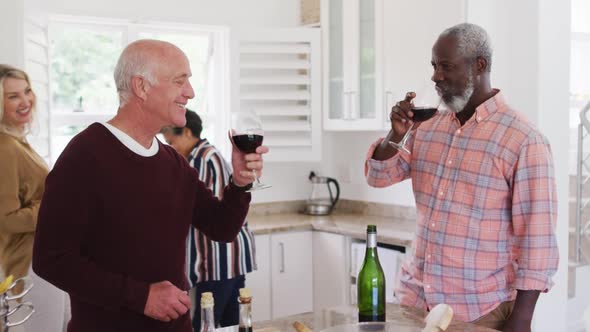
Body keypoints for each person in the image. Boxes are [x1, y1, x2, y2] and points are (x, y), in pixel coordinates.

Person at [32, 39, 268, 332]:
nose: (190, 93)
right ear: (141, 87)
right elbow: (50, 259)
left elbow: (222, 227)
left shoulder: (173, 162)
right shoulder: (85, 155)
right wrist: (141, 297)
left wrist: (240, 183)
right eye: (179, 81)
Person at [365, 23, 558, 332]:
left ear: (478, 65)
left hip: (479, 309)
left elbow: (537, 241)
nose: (435, 76)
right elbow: (378, 176)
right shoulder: (426, 126)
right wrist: (395, 134)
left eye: (446, 66)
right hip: (415, 303)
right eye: (433, 66)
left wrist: (521, 320)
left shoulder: (523, 139)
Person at [162, 109, 257, 332]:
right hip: (227, 258)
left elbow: (202, 210)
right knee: (234, 322)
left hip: (221, 258)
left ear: (186, 132)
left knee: (206, 322)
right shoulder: (200, 155)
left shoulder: (203, 158)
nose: (171, 147)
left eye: (171, 141)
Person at [0, 64, 68, 332]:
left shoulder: (17, 142)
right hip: (27, 264)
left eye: (27, 91)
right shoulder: (5, 148)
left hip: (39, 258)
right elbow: (5, 219)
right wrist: (55, 206)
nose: (25, 101)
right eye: (12, 96)